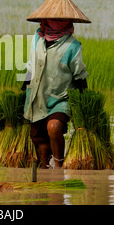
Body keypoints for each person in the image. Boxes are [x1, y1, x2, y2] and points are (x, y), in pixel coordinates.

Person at [22, 15, 89, 169]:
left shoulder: (72, 46)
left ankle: (59, 166)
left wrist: (84, 101)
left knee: (54, 127)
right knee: (42, 148)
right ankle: (46, 172)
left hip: (59, 99)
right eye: (44, 21)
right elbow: (31, 66)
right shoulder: (37, 38)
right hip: (36, 98)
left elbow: (79, 75)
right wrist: (23, 89)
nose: (43, 23)